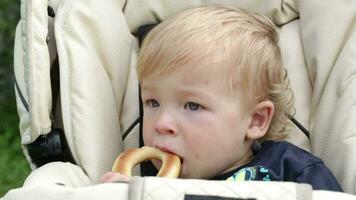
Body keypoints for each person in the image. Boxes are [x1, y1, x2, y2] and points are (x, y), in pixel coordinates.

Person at [101, 6, 342, 191]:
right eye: (153, 103)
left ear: (255, 120)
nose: (161, 124)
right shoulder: (146, 182)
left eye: (192, 105)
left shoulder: (293, 171)